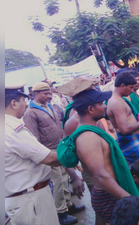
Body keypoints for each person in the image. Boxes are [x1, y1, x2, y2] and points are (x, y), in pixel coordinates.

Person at [57, 87, 139, 224]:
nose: (104, 106)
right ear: (90, 109)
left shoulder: (94, 129)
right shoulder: (87, 137)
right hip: (107, 194)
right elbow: (100, 175)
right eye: (101, 103)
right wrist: (128, 199)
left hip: (109, 192)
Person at [23, 82, 84, 225]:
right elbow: (34, 137)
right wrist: (43, 155)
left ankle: (68, 205)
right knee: (57, 183)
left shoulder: (50, 106)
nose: (50, 96)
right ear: (36, 94)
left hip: (58, 147)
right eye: (46, 93)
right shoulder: (31, 113)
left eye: (50, 93)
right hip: (48, 151)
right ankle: (61, 212)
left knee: (64, 179)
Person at [5, 82, 63, 225]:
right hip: (30, 198)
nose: (26, 104)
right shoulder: (12, 129)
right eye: (23, 100)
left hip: (20, 197)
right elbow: (48, 158)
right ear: (13, 103)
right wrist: (77, 154)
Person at [106, 70, 139, 166]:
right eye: (131, 88)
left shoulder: (120, 99)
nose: (132, 91)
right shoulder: (116, 102)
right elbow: (124, 129)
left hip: (136, 138)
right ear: (123, 85)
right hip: (130, 141)